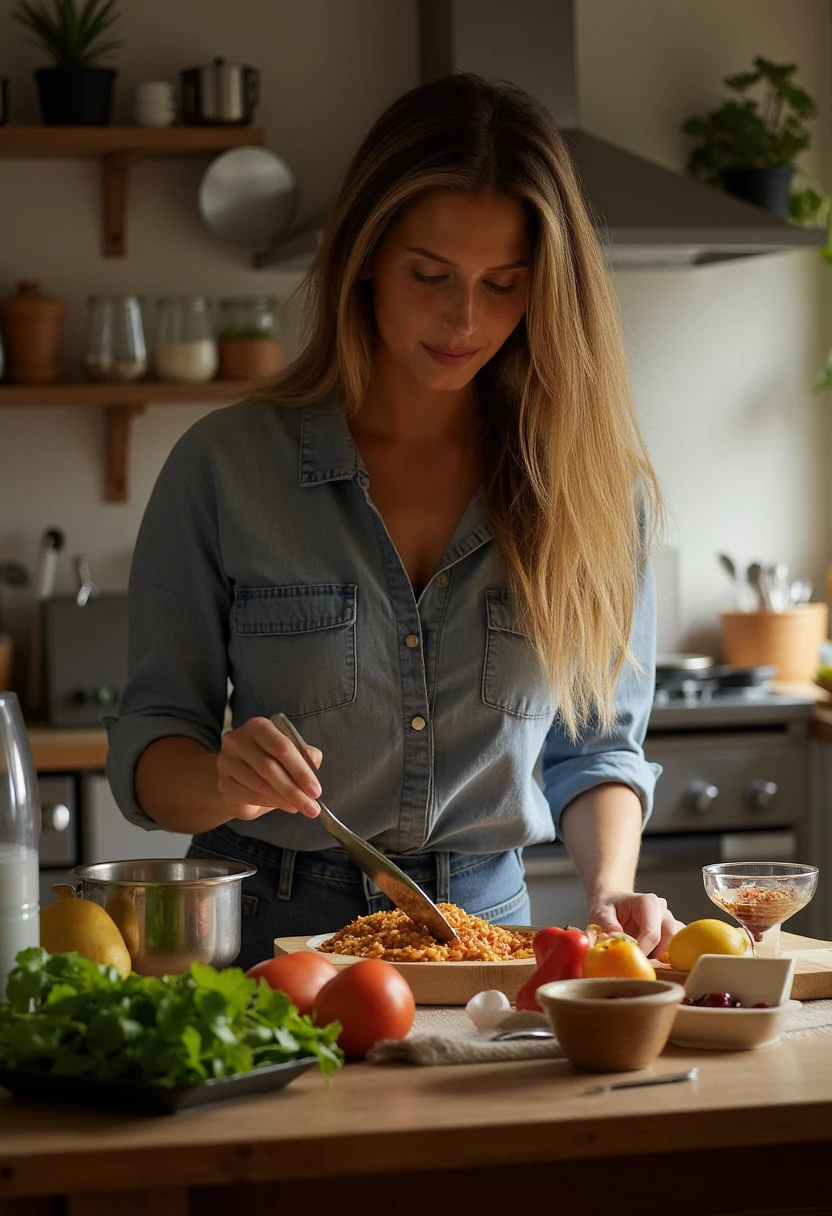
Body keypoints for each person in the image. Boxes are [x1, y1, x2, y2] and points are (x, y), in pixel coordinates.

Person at [105, 73, 684, 971]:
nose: (465, 319)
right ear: (367, 253)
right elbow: (148, 749)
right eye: (431, 275)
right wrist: (224, 777)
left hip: (483, 943)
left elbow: (599, 746)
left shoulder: (596, 493)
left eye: (504, 284)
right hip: (265, 938)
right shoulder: (224, 465)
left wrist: (610, 889)